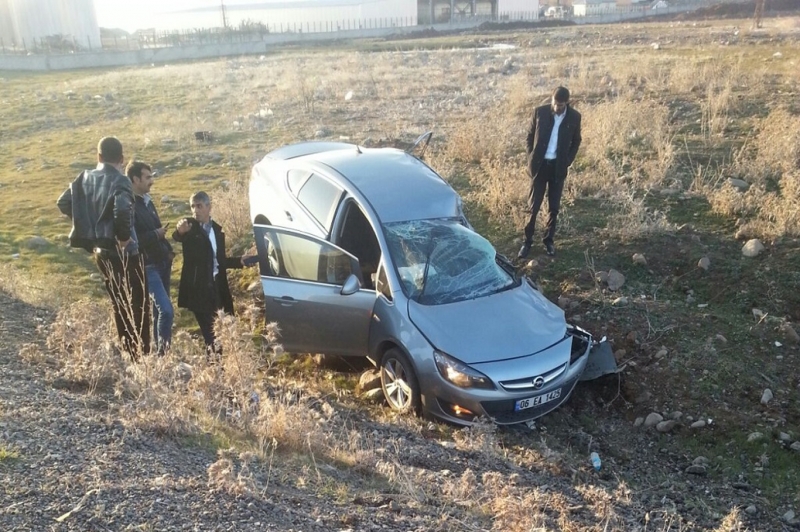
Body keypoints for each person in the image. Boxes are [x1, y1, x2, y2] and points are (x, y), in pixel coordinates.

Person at [57, 137, 151, 361]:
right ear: (121, 158)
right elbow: (121, 210)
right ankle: (142, 356)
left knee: (119, 301)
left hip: (101, 251)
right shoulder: (120, 180)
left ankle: (128, 352)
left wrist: (89, 227)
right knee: (138, 303)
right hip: (126, 252)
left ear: (98, 156)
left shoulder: (84, 177)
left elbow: (63, 203)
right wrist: (123, 237)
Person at [172, 191, 255, 357]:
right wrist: (180, 231)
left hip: (217, 287)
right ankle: (216, 371)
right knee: (211, 334)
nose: (195, 210)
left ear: (209, 207)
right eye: (192, 206)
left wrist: (240, 261)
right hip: (199, 290)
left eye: (199, 206)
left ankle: (220, 370)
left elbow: (220, 260)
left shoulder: (217, 231)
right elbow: (177, 236)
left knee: (223, 330)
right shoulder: (189, 228)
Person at [518, 86, 582, 259]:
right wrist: (531, 156)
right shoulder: (540, 112)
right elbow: (529, 136)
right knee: (533, 207)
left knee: (553, 208)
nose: (557, 107)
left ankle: (548, 241)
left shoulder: (575, 117)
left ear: (567, 103)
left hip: (558, 167)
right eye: (555, 103)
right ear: (551, 100)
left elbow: (576, 141)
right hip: (539, 166)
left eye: (561, 105)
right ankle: (527, 241)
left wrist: (567, 160)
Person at [127, 161, 174, 356]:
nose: (151, 181)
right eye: (147, 177)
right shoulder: (128, 205)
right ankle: (162, 356)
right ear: (135, 179)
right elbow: (132, 239)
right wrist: (156, 234)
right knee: (166, 310)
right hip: (148, 266)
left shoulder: (147, 201)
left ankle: (158, 356)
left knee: (159, 312)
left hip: (162, 262)